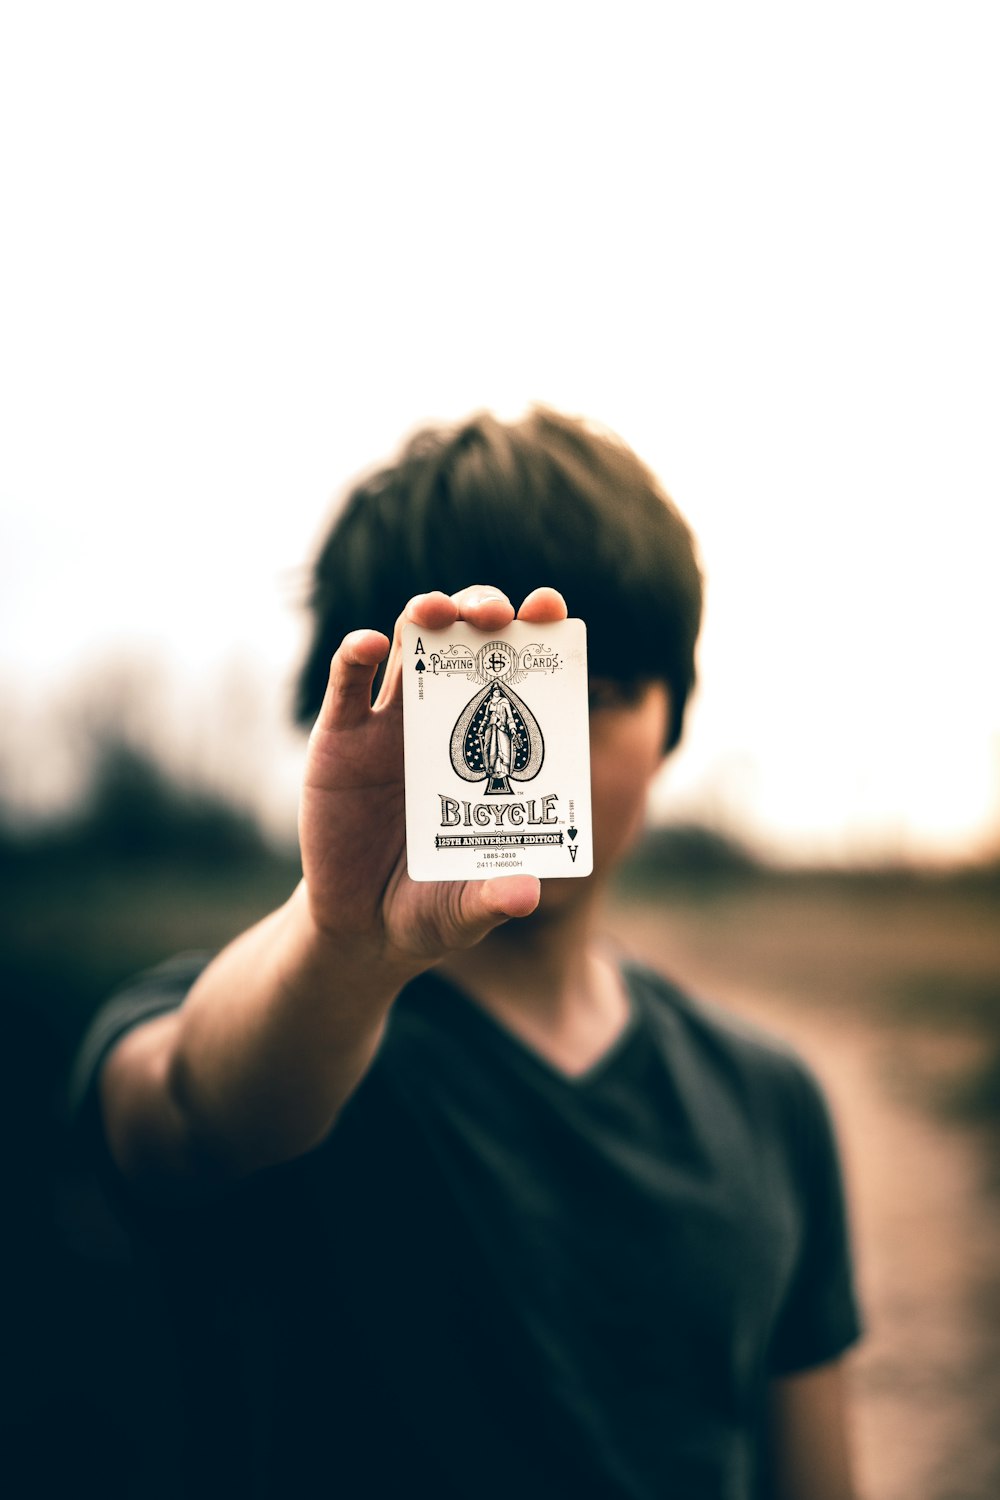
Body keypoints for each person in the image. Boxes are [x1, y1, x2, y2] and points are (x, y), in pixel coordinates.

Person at [72, 407, 862, 1499]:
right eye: (462, 694)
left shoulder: (769, 1101)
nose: (547, 747)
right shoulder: (290, 1019)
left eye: (594, 690)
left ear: (673, 718)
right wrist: (340, 941)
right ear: (351, 715)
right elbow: (187, 1114)